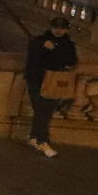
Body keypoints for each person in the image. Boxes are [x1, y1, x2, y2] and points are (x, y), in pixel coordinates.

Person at [24, 16, 78, 159]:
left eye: (62, 28)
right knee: (42, 110)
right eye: (56, 27)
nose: (59, 30)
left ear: (66, 29)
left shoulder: (68, 44)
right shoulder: (39, 41)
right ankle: (43, 141)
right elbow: (34, 56)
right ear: (51, 27)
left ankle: (34, 137)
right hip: (38, 80)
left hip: (53, 82)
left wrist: (54, 51)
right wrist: (44, 46)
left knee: (44, 111)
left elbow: (71, 61)